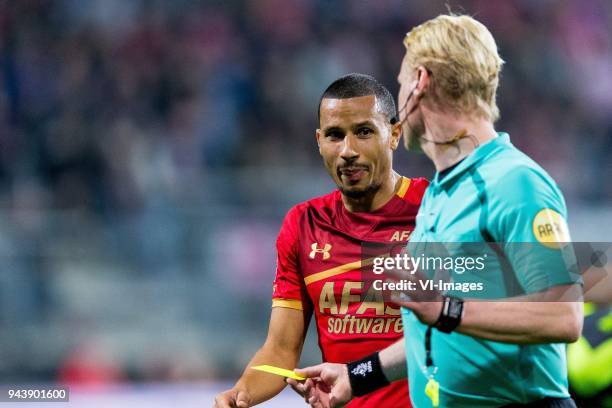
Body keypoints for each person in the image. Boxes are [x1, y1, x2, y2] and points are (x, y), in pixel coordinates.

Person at [294, 14, 583, 408]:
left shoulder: (513, 181)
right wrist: (357, 376)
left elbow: (564, 318)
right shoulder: (439, 194)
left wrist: (446, 309)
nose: (397, 105)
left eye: (399, 84)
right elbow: (430, 325)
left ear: (420, 82)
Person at [213, 73, 428, 408]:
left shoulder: (434, 209)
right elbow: (281, 350)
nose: (348, 151)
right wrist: (240, 394)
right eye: (334, 135)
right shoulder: (303, 224)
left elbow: (457, 329)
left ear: (394, 134)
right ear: (318, 140)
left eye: (364, 132)